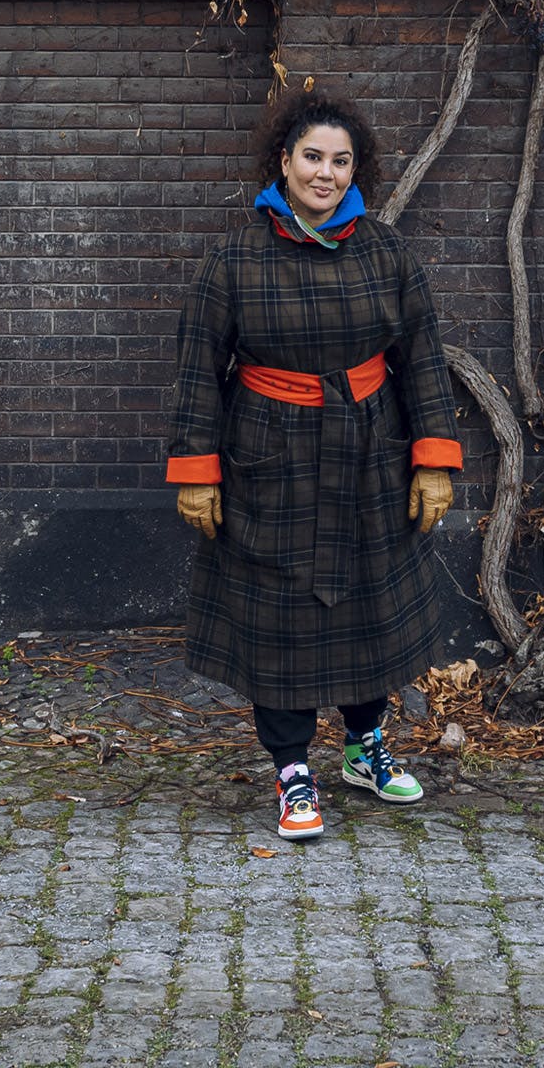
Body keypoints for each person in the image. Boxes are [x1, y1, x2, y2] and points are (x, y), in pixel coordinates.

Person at [166, 90, 462, 840]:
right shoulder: (234, 259)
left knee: (368, 604)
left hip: (371, 454)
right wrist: (197, 470)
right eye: (312, 157)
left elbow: (423, 358)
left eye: (341, 160)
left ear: (356, 170)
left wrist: (432, 458)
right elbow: (198, 368)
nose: (325, 173)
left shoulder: (387, 252)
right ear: (284, 162)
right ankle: (293, 768)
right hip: (269, 459)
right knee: (280, 617)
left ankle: (365, 747)